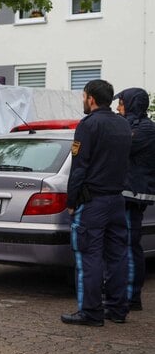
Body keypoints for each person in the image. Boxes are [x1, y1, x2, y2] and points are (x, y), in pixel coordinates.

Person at [62, 79, 132, 326]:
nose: (83, 100)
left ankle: (90, 312)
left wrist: (71, 201)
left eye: (83, 96)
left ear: (91, 98)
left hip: (93, 202)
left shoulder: (88, 125)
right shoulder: (123, 124)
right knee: (117, 256)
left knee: (88, 256)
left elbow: (79, 168)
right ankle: (118, 309)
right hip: (117, 200)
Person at [115, 87, 155, 311]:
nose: (118, 107)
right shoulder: (128, 125)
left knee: (130, 245)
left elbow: (121, 148)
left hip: (133, 196)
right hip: (123, 194)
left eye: (121, 103)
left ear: (131, 104)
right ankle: (120, 292)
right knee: (119, 246)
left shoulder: (146, 128)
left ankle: (132, 297)